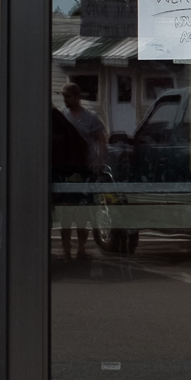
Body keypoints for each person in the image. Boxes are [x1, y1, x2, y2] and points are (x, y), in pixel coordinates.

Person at [57, 81, 108, 262]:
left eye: (68, 96)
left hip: (84, 168)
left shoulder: (90, 118)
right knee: (65, 212)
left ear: (77, 97)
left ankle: (81, 248)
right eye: (63, 96)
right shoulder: (61, 116)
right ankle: (65, 250)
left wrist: (99, 160)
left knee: (82, 211)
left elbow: (101, 139)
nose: (65, 99)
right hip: (65, 168)